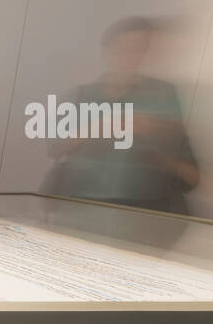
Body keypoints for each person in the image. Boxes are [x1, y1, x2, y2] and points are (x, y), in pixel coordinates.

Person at [41, 16, 199, 215]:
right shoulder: (80, 95)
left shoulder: (164, 95)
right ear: (106, 51)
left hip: (147, 210)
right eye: (121, 48)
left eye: (138, 48)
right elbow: (55, 148)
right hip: (82, 205)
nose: (129, 56)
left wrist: (152, 130)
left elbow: (187, 165)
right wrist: (95, 129)